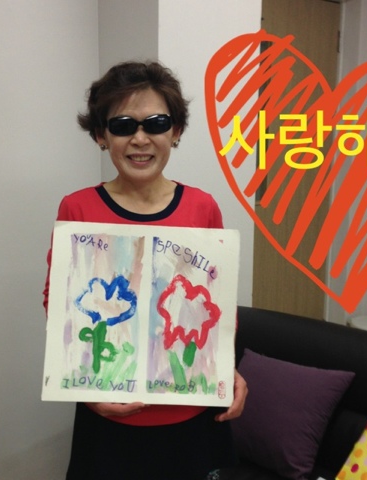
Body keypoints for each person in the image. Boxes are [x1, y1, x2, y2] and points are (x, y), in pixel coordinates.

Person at [43, 60, 248, 480]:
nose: (140, 138)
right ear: (101, 136)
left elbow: (217, 305)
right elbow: (59, 303)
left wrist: (227, 366)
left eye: (156, 123)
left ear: (175, 131)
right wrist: (85, 390)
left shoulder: (203, 207)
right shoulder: (78, 208)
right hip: (109, 415)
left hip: (190, 415)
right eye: (122, 126)